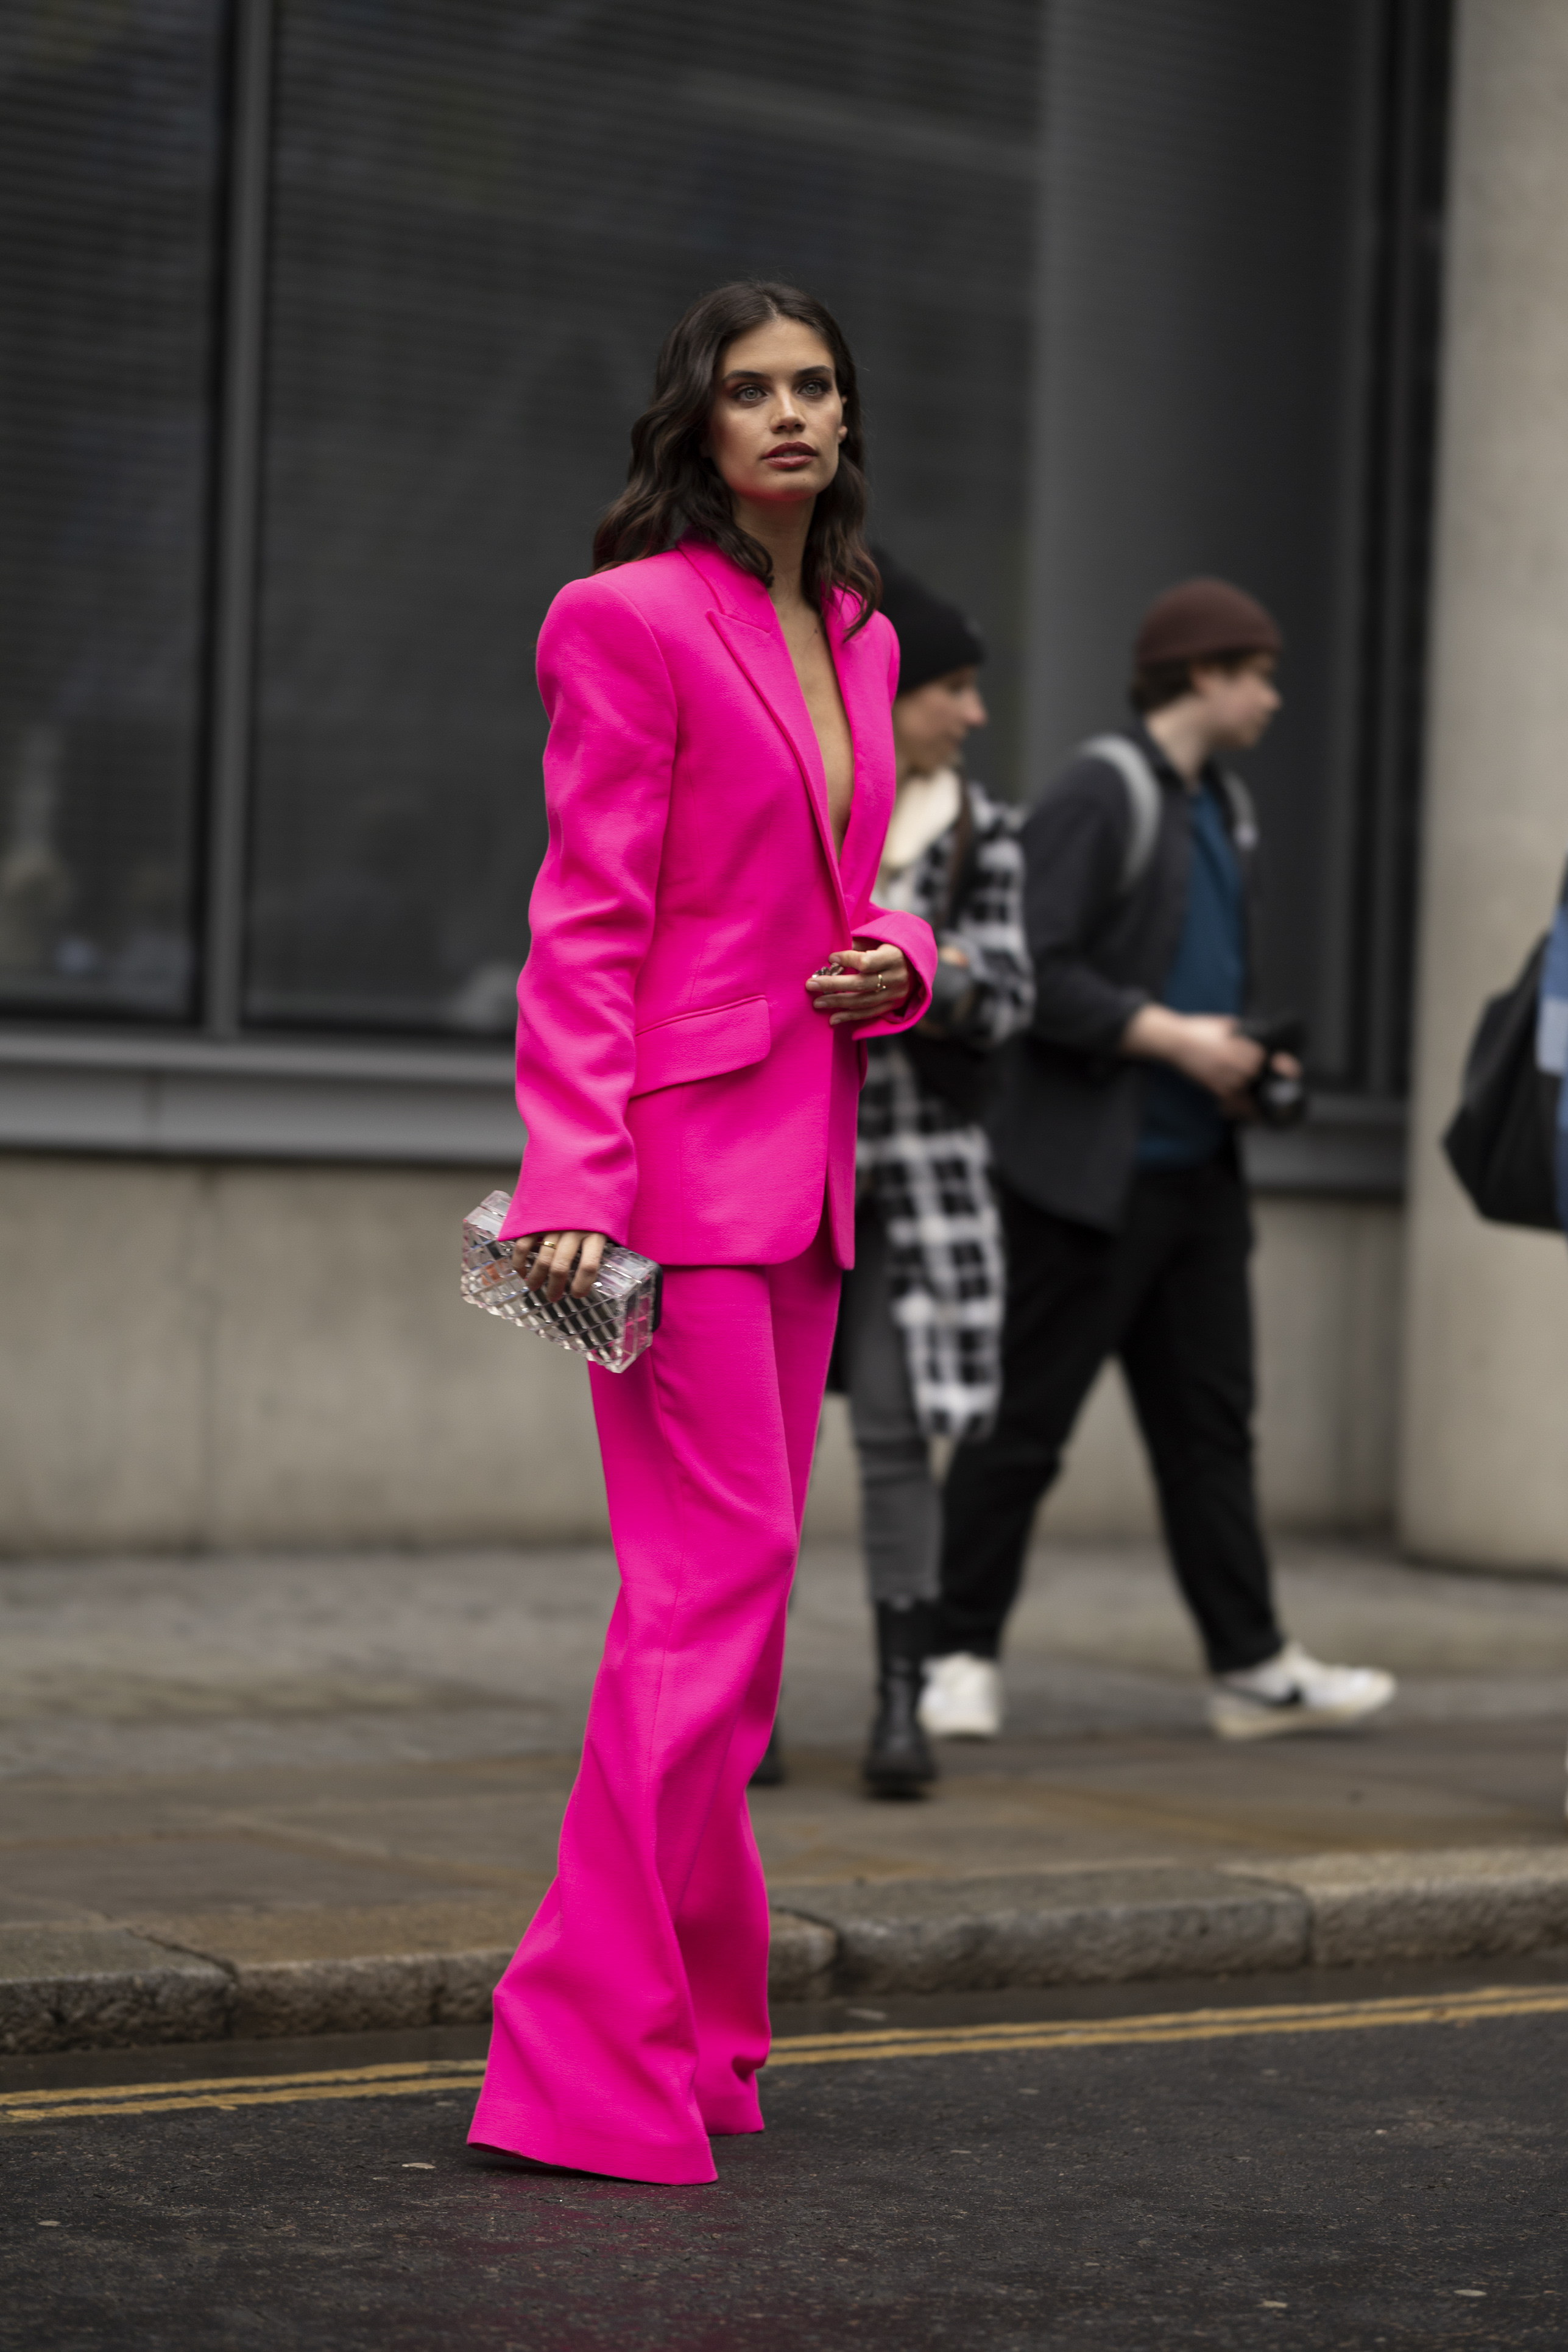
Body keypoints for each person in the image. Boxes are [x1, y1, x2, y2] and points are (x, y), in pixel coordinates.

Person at [467, 281, 936, 2188]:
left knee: (729, 1643)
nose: (789, 413)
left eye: (814, 384)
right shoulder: (625, 618)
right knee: (697, 1611)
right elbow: (586, 919)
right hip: (661, 1187)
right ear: (697, 420)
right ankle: (580, 2059)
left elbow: (842, 889)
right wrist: (571, 1180)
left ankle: (697, 2034)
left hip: (805, 1176)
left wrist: (897, 962)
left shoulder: (860, 629)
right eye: (750, 390)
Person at [920, 577, 1396, 1745]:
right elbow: (1029, 968)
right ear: (1202, 674)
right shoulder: (1102, 790)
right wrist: (1177, 1038)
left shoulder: (1223, 807)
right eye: (1259, 674)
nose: (1274, 698)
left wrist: (1242, 1059)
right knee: (1022, 1424)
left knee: (1210, 1433)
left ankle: (1249, 1667)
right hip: (1087, 1181)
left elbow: (1201, 979)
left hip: (1197, 1179)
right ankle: (950, 1654)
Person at [835, 554, 1031, 1795]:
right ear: (889, 684)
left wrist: (921, 972)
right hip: (786, 1175)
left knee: (900, 1441)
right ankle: (729, 1708)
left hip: (917, 1187)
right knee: (754, 1447)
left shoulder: (980, 836)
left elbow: (1012, 995)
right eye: (951, 685)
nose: (973, 713)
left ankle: (900, 1700)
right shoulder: (817, 807)